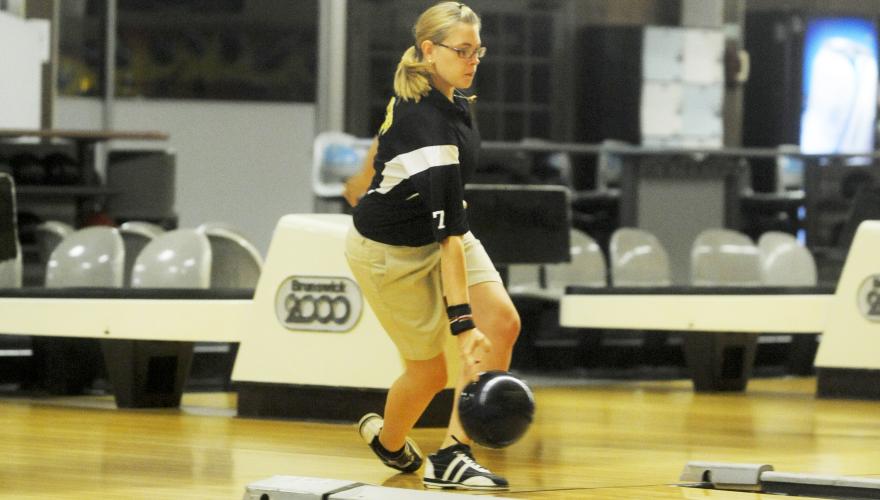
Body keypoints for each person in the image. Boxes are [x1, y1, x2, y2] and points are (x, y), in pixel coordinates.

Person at [343, 1, 520, 491]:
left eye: (477, 51)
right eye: (462, 50)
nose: (472, 60)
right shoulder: (429, 128)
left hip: (435, 229)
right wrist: (463, 327)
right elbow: (449, 240)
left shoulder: (441, 93)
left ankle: (454, 454)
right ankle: (389, 442)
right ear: (428, 49)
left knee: (503, 323)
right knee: (430, 374)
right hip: (389, 254)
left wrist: (364, 177)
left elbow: (386, 140)